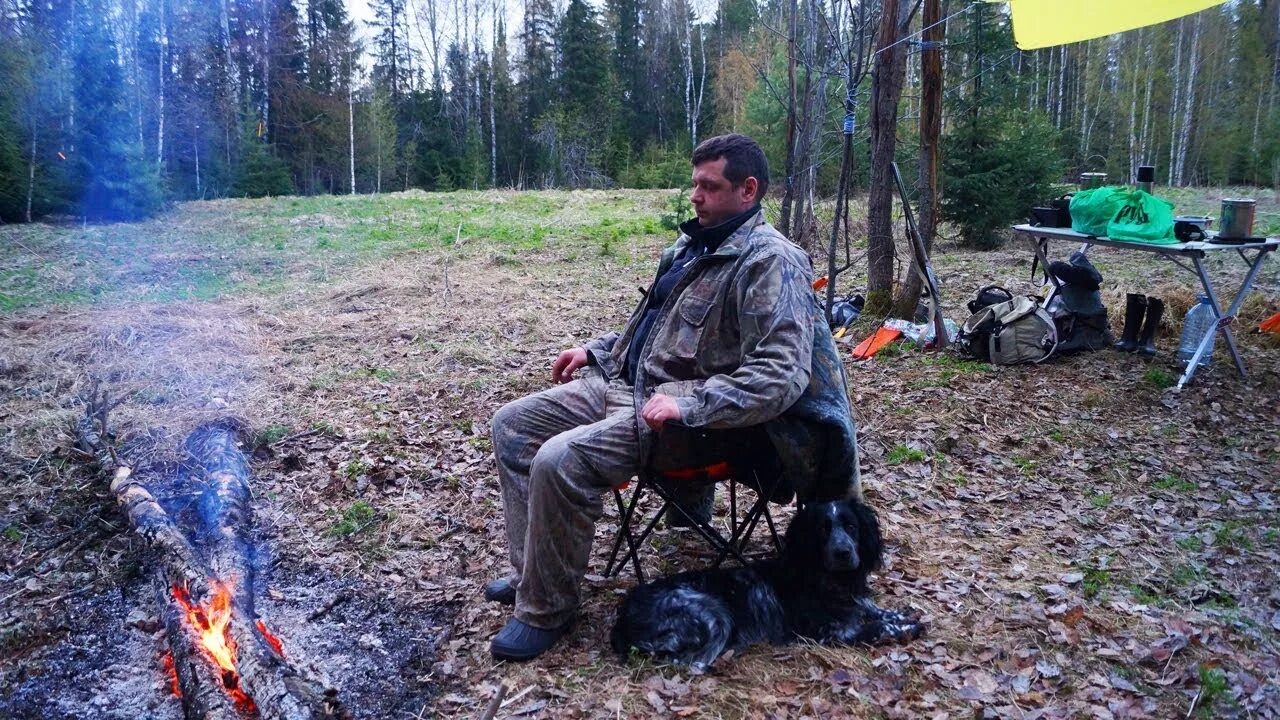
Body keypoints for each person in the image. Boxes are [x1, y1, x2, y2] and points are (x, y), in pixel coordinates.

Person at [485, 134, 847, 662]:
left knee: (559, 460)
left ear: (748, 189)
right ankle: (530, 575)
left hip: (695, 425)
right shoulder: (690, 246)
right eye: (694, 183)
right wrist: (596, 350)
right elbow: (654, 332)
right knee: (512, 424)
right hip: (625, 390)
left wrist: (692, 404)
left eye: (709, 186)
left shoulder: (771, 261)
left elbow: (779, 375)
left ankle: (545, 611)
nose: (695, 196)